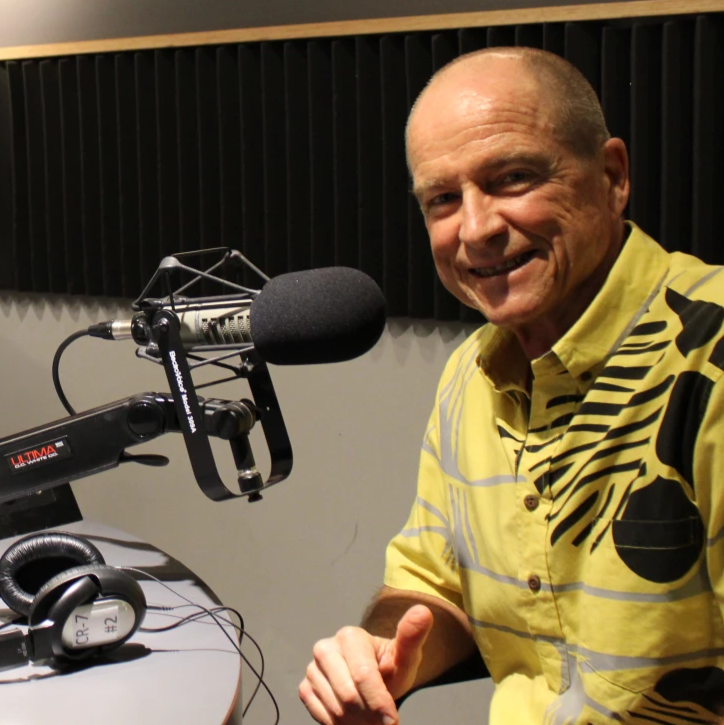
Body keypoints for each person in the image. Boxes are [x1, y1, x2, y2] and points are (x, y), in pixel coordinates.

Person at [300, 48, 724, 725]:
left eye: (513, 178)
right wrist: (383, 653)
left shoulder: (710, 357)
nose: (476, 229)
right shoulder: (471, 373)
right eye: (442, 199)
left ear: (612, 176)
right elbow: (433, 585)